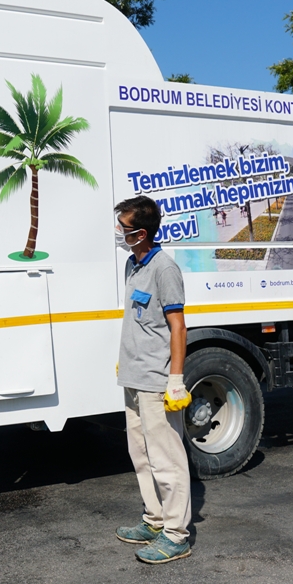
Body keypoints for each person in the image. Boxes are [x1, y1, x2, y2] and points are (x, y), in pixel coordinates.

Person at [112, 195, 192, 564]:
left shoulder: (164, 269)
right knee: (141, 454)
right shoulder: (133, 264)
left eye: (123, 228)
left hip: (158, 381)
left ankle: (177, 534)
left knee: (166, 458)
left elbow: (177, 326)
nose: (118, 232)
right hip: (134, 376)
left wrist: (175, 379)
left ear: (141, 233)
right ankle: (155, 519)